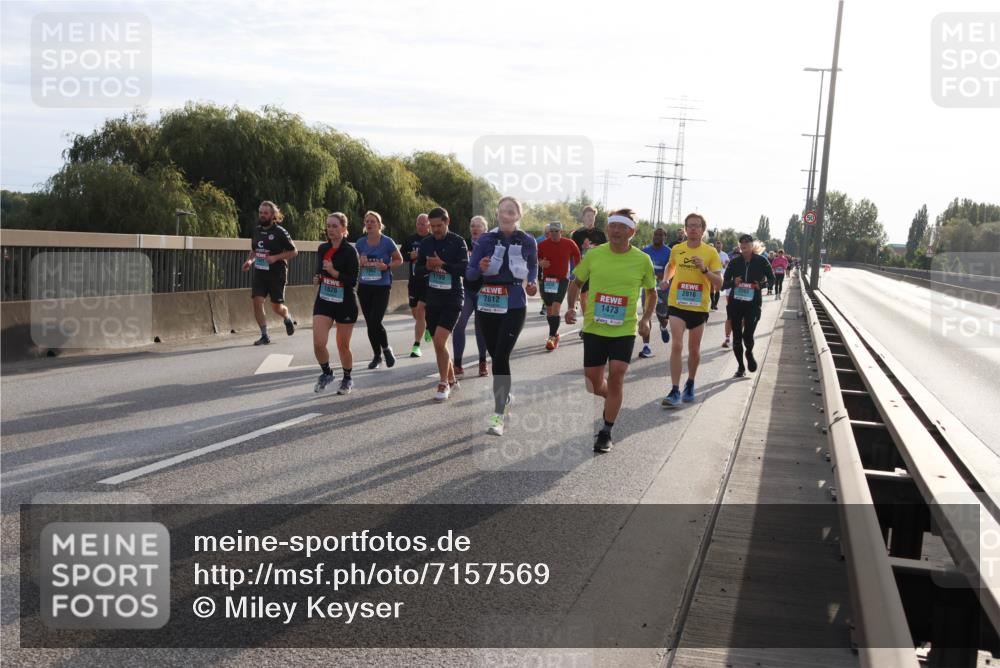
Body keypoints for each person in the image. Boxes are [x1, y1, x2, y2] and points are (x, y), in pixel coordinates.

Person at [565, 208, 656, 453]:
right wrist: (572, 306)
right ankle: (611, 399)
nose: (615, 231)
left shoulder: (642, 259)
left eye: (621, 227)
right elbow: (576, 282)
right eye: (612, 226)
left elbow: (651, 291)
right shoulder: (595, 256)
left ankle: (606, 431)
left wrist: (646, 318)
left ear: (631, 231)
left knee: (617, 375)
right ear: (608, 230)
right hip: (595, 327)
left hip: (624, 328)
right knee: (594, 383)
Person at [467, 196, 538, 436]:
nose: (505, 214)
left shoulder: (527, 241)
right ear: (497, 214)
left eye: (511, 211)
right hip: (487, 303)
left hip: (515, 304)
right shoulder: (486, 239)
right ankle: (505, 397)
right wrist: (481, 268)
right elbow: (470, 273)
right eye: (502, 210)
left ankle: (498, 414)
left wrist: (533, 283)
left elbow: (534, 266)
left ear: (518, 216)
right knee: (493, 354)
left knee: (500, 357)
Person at [661, 213, 724, 407]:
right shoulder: (677, 249)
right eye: (690, 226)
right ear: (685, 229)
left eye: (697, 226)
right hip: (677, 303)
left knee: (694, 349)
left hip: (699, 306)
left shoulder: (711, 252)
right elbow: (671, 266)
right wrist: (666, 279)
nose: (693, 229)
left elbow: (719, 283)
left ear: (703, 230)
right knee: (677, 345)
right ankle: (674, 389)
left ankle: (690, 383)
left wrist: (704, 270)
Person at [415, 207, 468, 402]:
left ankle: (443, 383)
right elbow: (417, 270)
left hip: (453, 298)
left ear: (447, 222)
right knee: (440, 344)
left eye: (439, 225)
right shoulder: (426, 242)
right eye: (432, 226)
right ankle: (452, 380)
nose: (435, 230)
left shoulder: (458, 241)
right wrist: (427, 267)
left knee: (438, 340)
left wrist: (443, 264)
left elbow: (464, 269)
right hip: (433, 297)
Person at [312, 213, 360, 395]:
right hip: (324, 300)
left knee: (342, 345)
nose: (331, 229)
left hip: (345, 302)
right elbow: (319, 271)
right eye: (329, 226)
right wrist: (317, 278)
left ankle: (347, 378)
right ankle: (327, 373)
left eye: (335, 226)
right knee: (318, 342)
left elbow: (353, 281)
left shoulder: (350, 252)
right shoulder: (323, 248)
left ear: (344, 229)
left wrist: (334, 271)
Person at [241, 200, 298, 345]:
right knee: (257, 301)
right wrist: (249, 261)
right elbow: (254, 250)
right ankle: (264, 335)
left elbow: (294, 252)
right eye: (260, 212)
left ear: (273, 215)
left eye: (266, 213)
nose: (262, 215)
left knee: (276, 307)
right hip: (260, 273)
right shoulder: (257, 230)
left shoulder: (280, 232)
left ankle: (287, 317)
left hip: (277, 273)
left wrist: (275, 258)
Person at [354, 211, 404, 369]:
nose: (369, 224)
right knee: (370, 323)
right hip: (365, 286)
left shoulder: (387, 242)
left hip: (382, 286)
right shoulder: (360, 243)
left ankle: (386, 349)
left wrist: (386, 266)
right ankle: (377, 356)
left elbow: (399, 260)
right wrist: (360, 262)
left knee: (376, 320)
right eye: (367, 221)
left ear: (379, 224)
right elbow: (357, 264)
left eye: (372, 221)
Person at [723, 235, 776, 377]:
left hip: (753, 304)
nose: (744, 244)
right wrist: (734, 282)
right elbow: (724, 283)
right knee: (737, 337)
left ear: (752, 245)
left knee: (748, 336)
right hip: (735, 304)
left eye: (747, 242)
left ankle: (749, 352)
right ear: (739, 246)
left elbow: (772, 279)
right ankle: (740, 367)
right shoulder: (734, 262)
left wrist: (762, 285)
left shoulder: (762, 261)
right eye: (741, 242)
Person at [453, 215, 489, 379]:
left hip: (483, 291)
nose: (474, 229)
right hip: (467, 291)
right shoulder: (464, 246)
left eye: (478, 226)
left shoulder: (490, 246)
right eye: (472, 226)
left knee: (480, 328)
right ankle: (458, 364)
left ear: (485, 230)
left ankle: (483, 361)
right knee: (459, 324)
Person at [537, 221, 581, 351]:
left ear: (561, 232)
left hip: (562, 280)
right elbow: (536, 259)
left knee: (556, 307)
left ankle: (551, 337)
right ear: (549, 232)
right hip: (547, 280)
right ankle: (555, 334)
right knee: (550, 310)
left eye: (557, 231)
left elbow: (577, 255)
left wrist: (577, 271)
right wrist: (541, 263)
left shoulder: (569, 243)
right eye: (552, 231)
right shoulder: (543, 244)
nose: (554, 234)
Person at [570, 205, 607, 337]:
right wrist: (583, 248)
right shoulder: (577, 234)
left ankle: (593, 322)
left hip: (598, 269)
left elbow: (607, 251)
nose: (590, 218)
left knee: (593, 297)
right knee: (583, 297)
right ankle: (587, 324)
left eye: (592, 216)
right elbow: (572, 252)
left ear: (595, 218)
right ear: (583, 218)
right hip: (582, 268)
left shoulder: (600, 234)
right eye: (587, 216)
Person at [638, 227, 672, 358]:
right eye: (655, 235)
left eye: (660, 235)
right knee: (646, 315)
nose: (657, 237)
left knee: (662, 316)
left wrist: (664, 277)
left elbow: (673, 271)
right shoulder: (646, 251)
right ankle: (646, 347)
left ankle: (663, 327)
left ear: (665, 237)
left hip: (663, 290)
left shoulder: (669, 252)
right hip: (648, 289)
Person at [402, 213, 431, 357]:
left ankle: (416, 345)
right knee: (415, 312)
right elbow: (400, 257)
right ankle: (427, 326)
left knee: (420, 310)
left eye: (423, 224)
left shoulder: (433, 240)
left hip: (428, 281)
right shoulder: (410, 240)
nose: (420, 227)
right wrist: (410, 256)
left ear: (429, 225)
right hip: (414, 281)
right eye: (418, 224)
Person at [710, 240, 730, 311]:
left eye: (720, 245)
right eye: (717, 245)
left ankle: (715, 304)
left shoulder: (725, 254)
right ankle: (712, 303)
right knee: (712, 288)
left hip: (720, 273)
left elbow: (726, 265)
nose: (718, 246)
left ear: (722, 246)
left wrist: (724, 264)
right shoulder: (711, 253)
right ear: (715, 246)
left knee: (717, 289)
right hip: (712, 272)